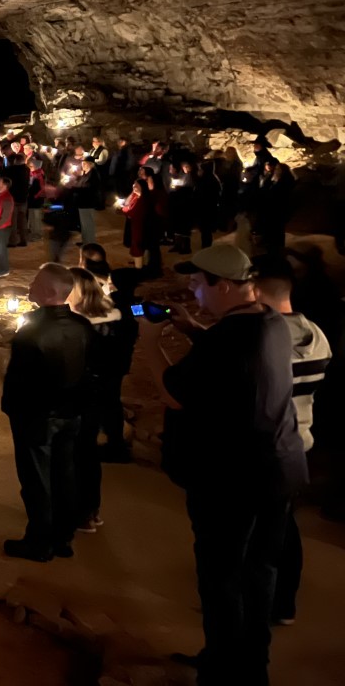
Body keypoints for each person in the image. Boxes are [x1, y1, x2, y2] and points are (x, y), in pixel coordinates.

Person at [145, 245, 306, 685]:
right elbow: (238, 364)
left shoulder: (228, 338)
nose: (193, 290)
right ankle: (250, 667)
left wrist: (148, 342)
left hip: (233, 478)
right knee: (260, 573)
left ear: (226, 285)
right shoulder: (270, 322)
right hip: (277, 469)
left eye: (199, 283)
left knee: (222, 575)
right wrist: (196, 329)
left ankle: (222, 670)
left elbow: (175, 392)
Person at [251, 257, 331, 627]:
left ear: (255, 290)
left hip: (267, 448)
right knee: (284, 524)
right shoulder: (316, 335)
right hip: (301, 441)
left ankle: (261, 607)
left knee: (260, 535)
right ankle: (285, 603)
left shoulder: (264, 339)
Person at [1, 263, 92, 562]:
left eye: (36, 283)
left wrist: (11, 410)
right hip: (72, 412)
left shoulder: (33, 330)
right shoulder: (82, 326)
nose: (30, 286)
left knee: (36, 480)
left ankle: (39, 541)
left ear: (51, 292)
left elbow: (17, 379)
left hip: (36, 416)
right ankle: (63, 538)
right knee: (65, 475)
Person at [66, 267, 136, 533]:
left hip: (82, 395)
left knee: (77, 453)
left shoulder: (82, 326)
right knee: (88, 453)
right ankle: (90, 510)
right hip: (108, 382)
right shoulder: (120, 314)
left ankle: (80, 512)